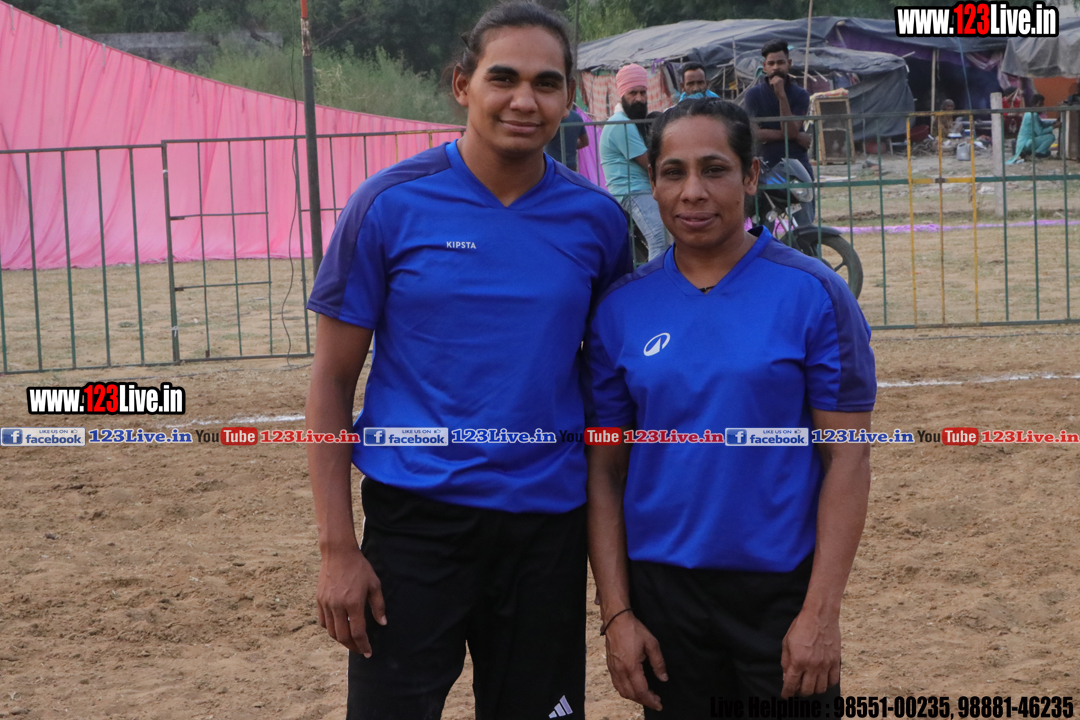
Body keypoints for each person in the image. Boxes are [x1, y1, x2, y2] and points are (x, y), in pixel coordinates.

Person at [304, 3, 631, 718]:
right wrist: (336, 548)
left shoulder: (598, 221)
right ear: (462, 84)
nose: (524, 100)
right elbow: (331, 381)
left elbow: (610, 384)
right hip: (416, 524)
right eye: (503, 78)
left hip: (546, 528)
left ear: (568, 98)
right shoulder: (388, 205)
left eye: (546, 83)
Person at [586, 98, 876, 717]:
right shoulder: (620, 309)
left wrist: (821, 613)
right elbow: (605, 472)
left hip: (780, 597)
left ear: (750, 176)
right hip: (664, 599)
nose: (693, 191)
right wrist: (617, 613)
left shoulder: (815, 294)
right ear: (652, 181)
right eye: (674, 172)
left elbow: (847, 460)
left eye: (714, 169)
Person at [600, 63, 669, 260]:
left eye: (642, 92)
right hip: (632, 191)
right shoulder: (620, 124)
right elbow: (648, 163)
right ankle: (655, 278)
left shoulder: (630, 122)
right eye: (633, 93)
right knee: (658, 237)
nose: (639, 98)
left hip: (642, 188)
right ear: (622, 94)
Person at [742, 40, 813, 179]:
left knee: (805, 190)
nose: (776, 67)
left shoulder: (801, 95)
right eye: (771, 63)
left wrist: (782, 96)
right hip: (765, 162)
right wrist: (796, 136)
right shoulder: (753, 95)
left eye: (780, 62)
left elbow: (790, 131)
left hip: (797, 161)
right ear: (764, 66)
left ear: (789, 63)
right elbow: (754, 134)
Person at [1008, 94, 1059, 163]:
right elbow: (1040, 132)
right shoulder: (1033, 114)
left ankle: (1030, 153)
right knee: (1051, 137)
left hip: (1023, 144)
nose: (1042, 107)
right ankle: (1036, 154)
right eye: (1040, 104)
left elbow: (1041, 124)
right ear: (1035, 104)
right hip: (1026, 143)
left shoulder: (1030, 113)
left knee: (1048, 152)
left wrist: (1052, 123)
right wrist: (1053, 127)